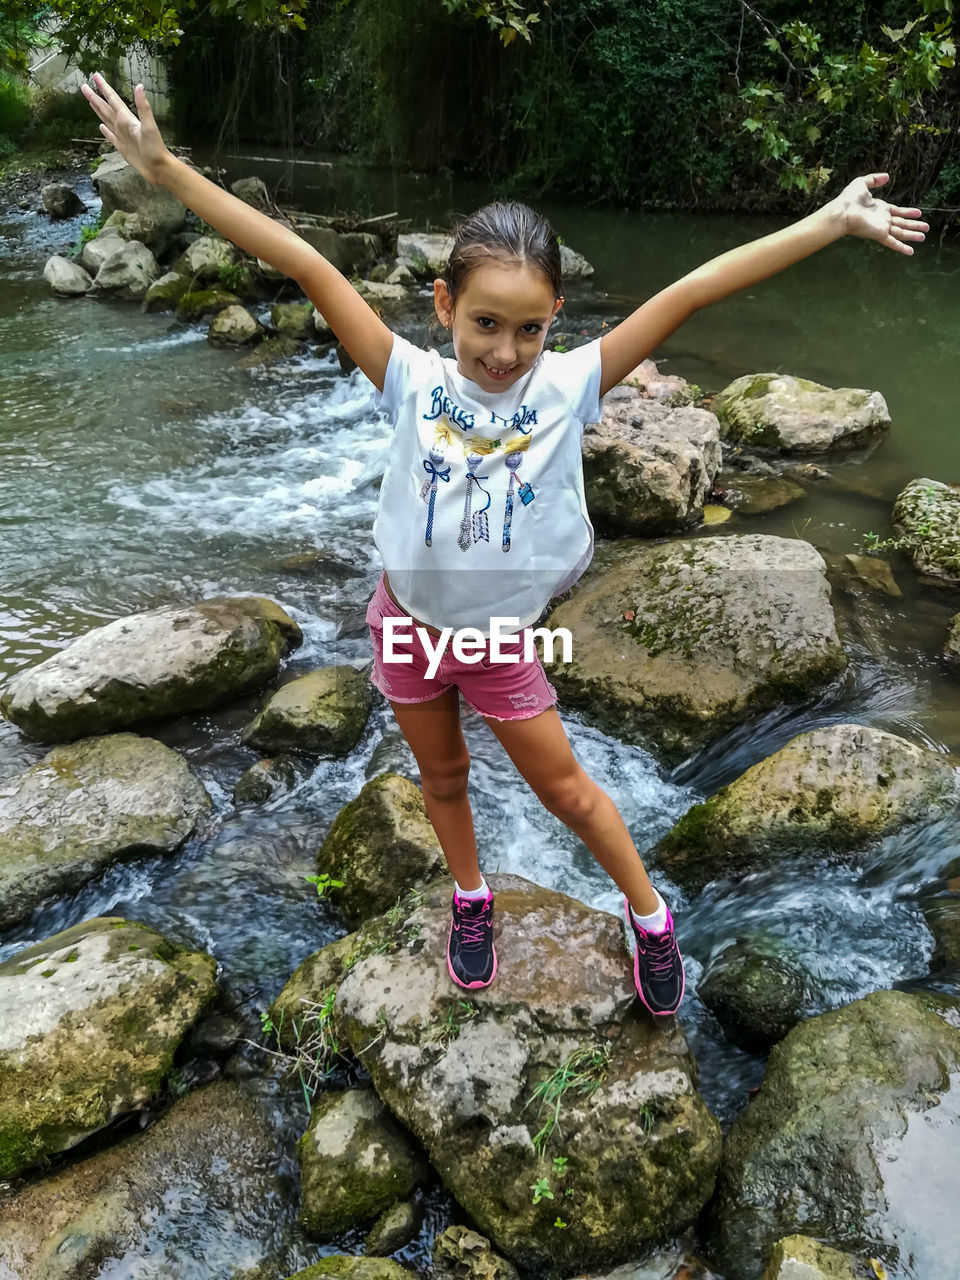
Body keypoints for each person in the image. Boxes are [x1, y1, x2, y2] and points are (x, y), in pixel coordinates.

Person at [82, 73, 927, 1016]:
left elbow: (692, 290)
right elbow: (305, 264)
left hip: (494, 641)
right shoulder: (408, 378)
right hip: (405, 623)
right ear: (443, 305)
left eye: (529, 329)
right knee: (442, 779)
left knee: (568, 790)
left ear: (553, 324)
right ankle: (471, 899)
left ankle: (648, 916)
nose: (506, 351)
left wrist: (828, 222)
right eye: (486, 323)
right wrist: (162, 170)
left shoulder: (568, 387)